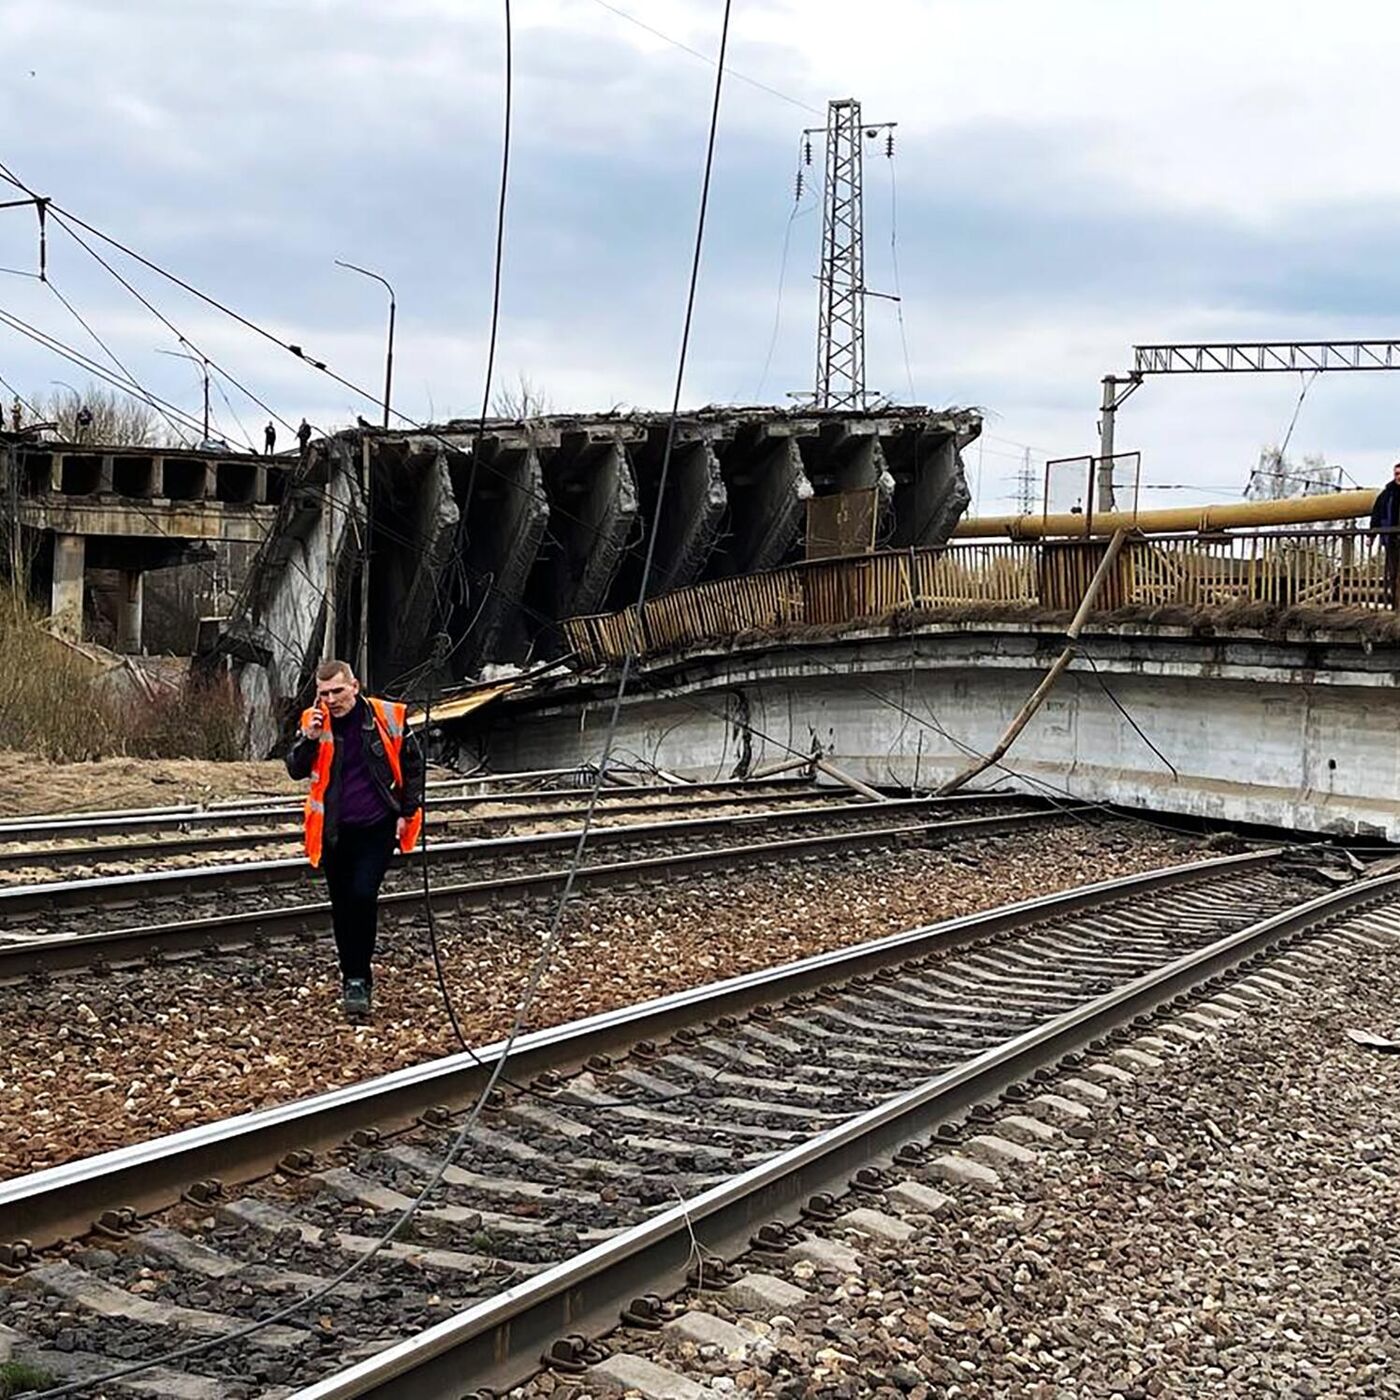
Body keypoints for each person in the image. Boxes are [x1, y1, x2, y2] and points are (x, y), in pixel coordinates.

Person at [285, 659, 424, 1020]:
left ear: (355, 686)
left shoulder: (385, 717)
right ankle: (352, 978)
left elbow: (413, 765)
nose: (331, 699)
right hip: (334, 832)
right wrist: (309, 739)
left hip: (376, 827)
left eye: (338, 691)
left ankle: (360, 978)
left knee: (363, 895)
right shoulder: (313, 722)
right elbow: (296, 769)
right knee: (343, 907)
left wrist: (406, 813)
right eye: (324, 693)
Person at [1370, 462, 1400, 609]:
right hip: (1391, 540)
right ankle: (1394, 605)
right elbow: (1377, 515)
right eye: (1397, 474)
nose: (1399, 477)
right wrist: (1371, 535)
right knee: (1392, 574)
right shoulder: (1387, 494)